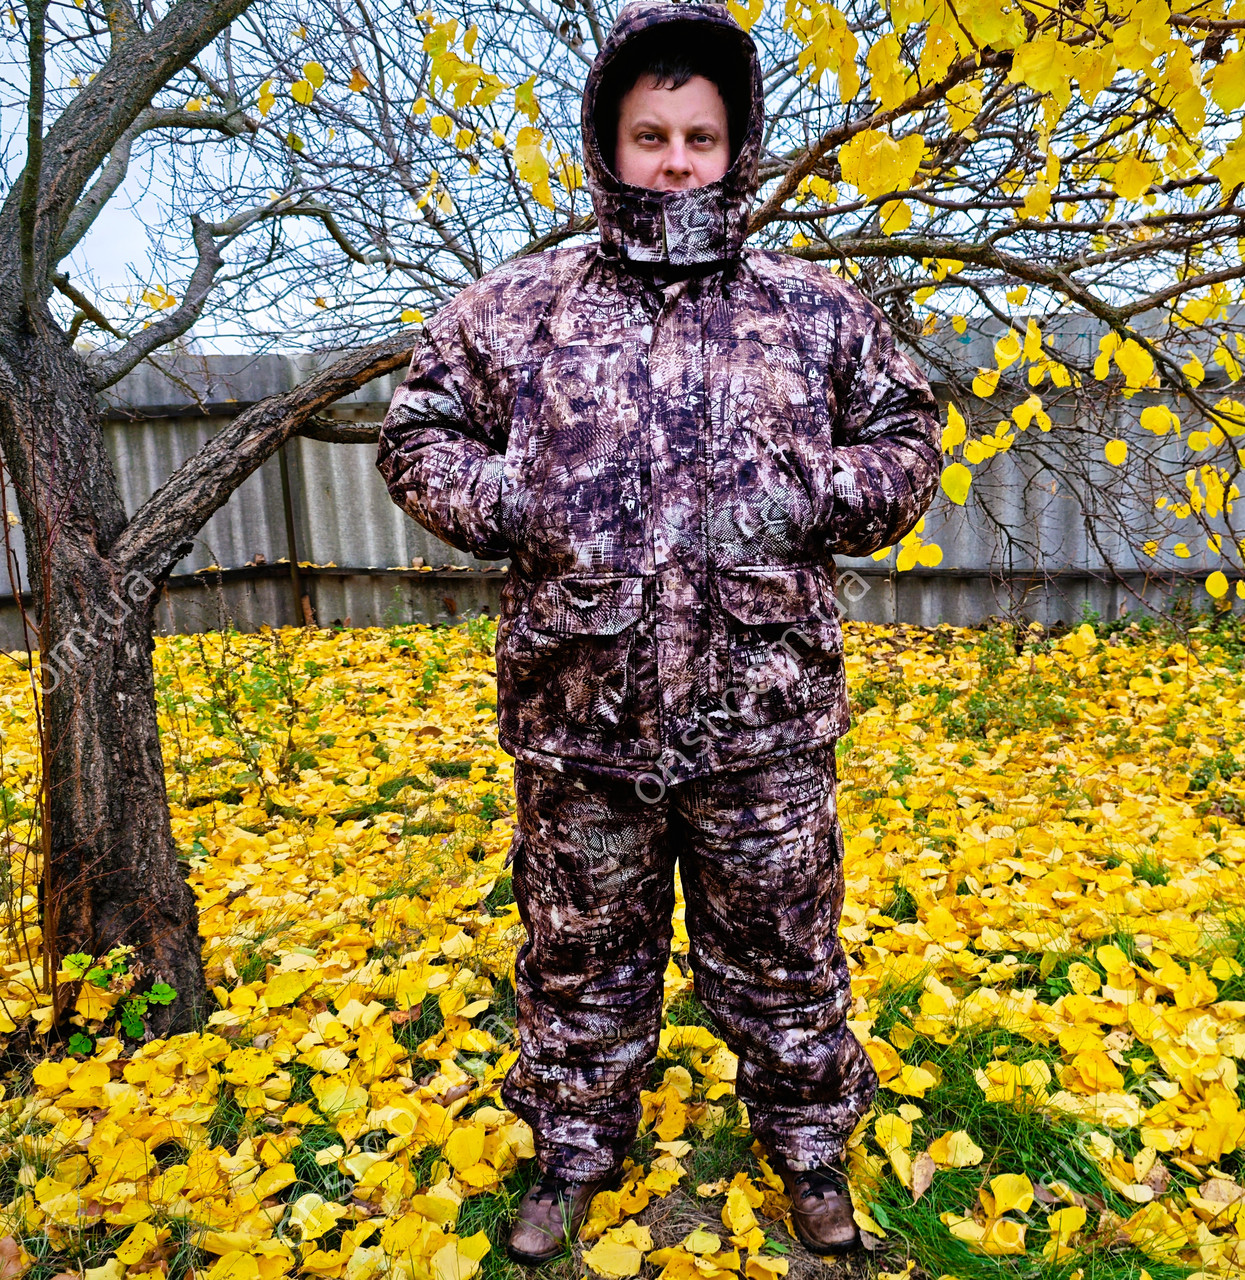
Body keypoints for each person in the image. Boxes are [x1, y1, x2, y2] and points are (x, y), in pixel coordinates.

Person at [376, 0, 942, 1265]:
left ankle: (807, 1151)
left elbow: (905, 443)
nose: (675, 159)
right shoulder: (515, 309)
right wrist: (511, 500)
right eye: (650, 135)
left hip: (765, 716)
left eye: (698, 134)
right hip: (581, 716)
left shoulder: (813, 311)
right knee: (576, 955)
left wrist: (814, 490)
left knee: (785, 952)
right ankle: (573, 1155)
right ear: (608, 142)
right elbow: (417, 438)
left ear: (734, 145)